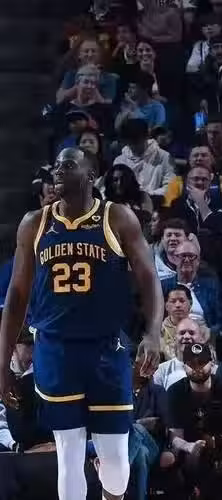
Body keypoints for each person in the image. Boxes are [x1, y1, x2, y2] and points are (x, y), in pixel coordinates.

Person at [0, 147, 163, 500]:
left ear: (90, 175)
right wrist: (2, 363)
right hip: (55, 349)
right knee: (69, 451)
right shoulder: (34, 223)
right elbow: (16, 295)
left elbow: (149, 279)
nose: (58, 171)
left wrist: (153, 333)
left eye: (68, 165)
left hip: (106, 348)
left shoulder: (117, 217)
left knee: (116, 460)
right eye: (56, 165)